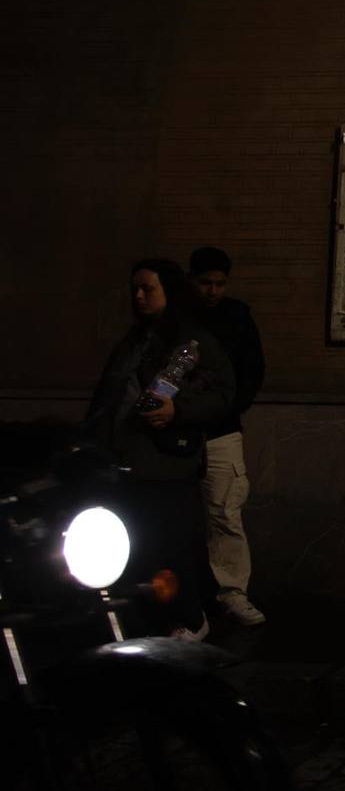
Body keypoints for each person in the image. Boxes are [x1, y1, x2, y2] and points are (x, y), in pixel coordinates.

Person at [84, 259, 235, 641]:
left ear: (169, 291)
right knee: (134, 549)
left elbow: (224, 395)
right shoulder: (135, 340)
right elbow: (109, 396)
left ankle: (189, 619)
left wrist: (177, 410)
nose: (138, 296)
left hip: (166, 463)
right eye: (134, 288)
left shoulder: (192, 341)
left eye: (148, 289)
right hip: (124, 462)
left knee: (170, 546)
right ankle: (147, 623)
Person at [188, 246, 267, 627]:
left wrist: (230, 407)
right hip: (185, 430)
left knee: (225, 512)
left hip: (221, 428)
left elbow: (253, 368)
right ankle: (196, 596)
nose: (213, 291)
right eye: (206, 283)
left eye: (219, 283)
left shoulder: (236, 316)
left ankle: (231, 592)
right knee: (189, 515)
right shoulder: (181, 317)